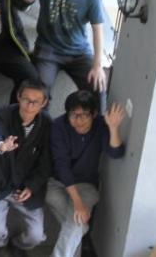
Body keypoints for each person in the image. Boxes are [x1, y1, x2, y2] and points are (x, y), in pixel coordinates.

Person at [29, 0, 109, 110]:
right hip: (48, 50)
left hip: (79, 52)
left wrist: (97, 65)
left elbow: (98, 30)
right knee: (40, 91)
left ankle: (101, 126)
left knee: (98, 88)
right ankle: (42, 126)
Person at [46, 92, 127, 257]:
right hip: (57, 182)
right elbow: (62, 166)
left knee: (74, 225)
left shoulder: (101, 125)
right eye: (73, 115)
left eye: (84, 115)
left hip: (86, 185)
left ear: (94, 114)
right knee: (77, 225)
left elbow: (116, 153)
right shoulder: (59, 126)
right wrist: (78, 203)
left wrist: (113, 128)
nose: (78, 120)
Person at [0, 79, 54, 252]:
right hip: (1, 182)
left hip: (27, 188)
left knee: (36, 235)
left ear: (44, 103)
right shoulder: (5, 114)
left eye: (36, 101)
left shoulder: (47, 123)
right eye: (26, 99)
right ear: (18, 96)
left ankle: (17, 245)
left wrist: (31, 187)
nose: (30, 105)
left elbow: (46, 162)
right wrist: (1, 146)